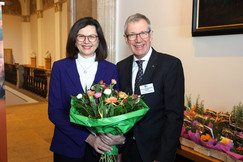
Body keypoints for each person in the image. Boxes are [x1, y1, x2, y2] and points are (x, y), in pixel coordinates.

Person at [48, 17, 125, 162]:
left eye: (91, 36)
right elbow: (55, 112)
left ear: (99, 40)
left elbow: (115, 109)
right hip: (67, 146)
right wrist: (88, 138)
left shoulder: (111, 69)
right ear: (74, 39)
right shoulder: (60, 67)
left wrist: (115, 139)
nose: (86, 41)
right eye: (81, 36)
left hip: (101, 149)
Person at [116, 13, 185, 162]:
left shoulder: (170, 65)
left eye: (143, 33)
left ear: (151, 34)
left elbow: (174, 116)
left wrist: (163, 158)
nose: (138, 39)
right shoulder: (120, 67)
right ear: (126, 39)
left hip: (155, 152)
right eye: (132, 35)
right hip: (127, 150)